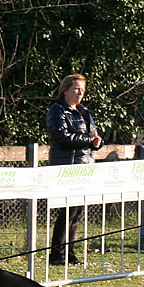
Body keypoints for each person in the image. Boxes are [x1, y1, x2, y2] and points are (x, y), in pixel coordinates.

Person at [46, 73, 103, 265]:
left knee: (76, 213)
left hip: (85, 165)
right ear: (65, 90)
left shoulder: (84, 111)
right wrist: (89, 140)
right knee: (66, 212)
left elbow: (93, 135)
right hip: (66, 167)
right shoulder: (57, 110)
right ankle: (57, 255)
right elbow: (62, 136)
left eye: (83, 90)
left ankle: (70, 254)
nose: (80, 93)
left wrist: (97, 142)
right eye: (76, 89)